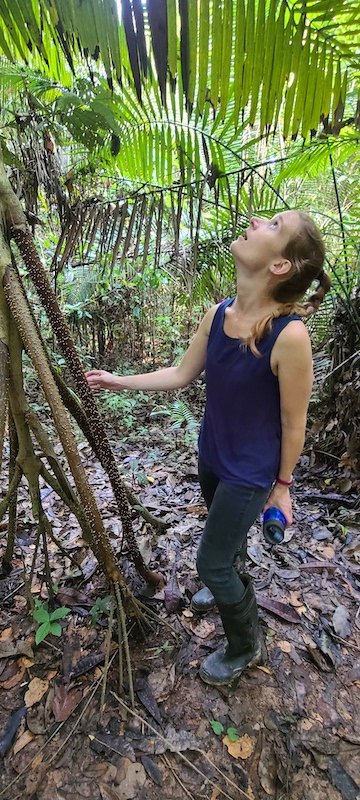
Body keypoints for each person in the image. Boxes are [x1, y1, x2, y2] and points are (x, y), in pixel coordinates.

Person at [85, 210, 331, 690]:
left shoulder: (291, 335)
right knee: (226, 550)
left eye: (273, 225)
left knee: (210, 564)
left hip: (251, 473)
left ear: (279, 265)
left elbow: (292, 423)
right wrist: (116, 379)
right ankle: (231, 582)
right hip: (212, 454)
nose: (257, 220)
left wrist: (282, 489)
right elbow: (181, 374)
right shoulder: (220, 314)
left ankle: (245, 643)